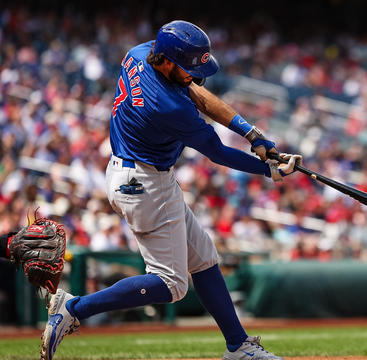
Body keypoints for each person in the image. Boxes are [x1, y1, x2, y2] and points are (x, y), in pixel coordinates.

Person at [41, 20, 301, 360]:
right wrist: (268, 168)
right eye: (188, 67)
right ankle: (74, 308)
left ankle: (238, 346)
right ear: (165, 61)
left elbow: (197, 92)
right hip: (142, 183)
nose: (196, 74)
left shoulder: (140, 53)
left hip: (141, 174)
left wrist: (252, 134)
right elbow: (218, 152)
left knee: (204, 258)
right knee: (170, 284)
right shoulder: (169, 107)